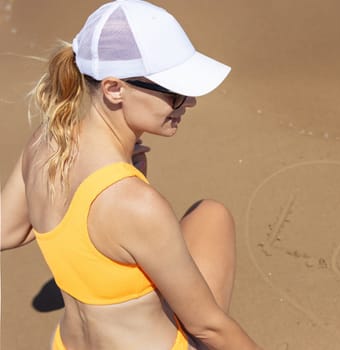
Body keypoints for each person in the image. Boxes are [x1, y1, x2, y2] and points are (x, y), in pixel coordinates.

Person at [0, 1, 264, 349]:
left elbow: (7, 232)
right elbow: (208, 328)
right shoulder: (134, 202)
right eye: (174, 93)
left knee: (210, 217)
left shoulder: (46, 142)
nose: (188, 103)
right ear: (113, 88)